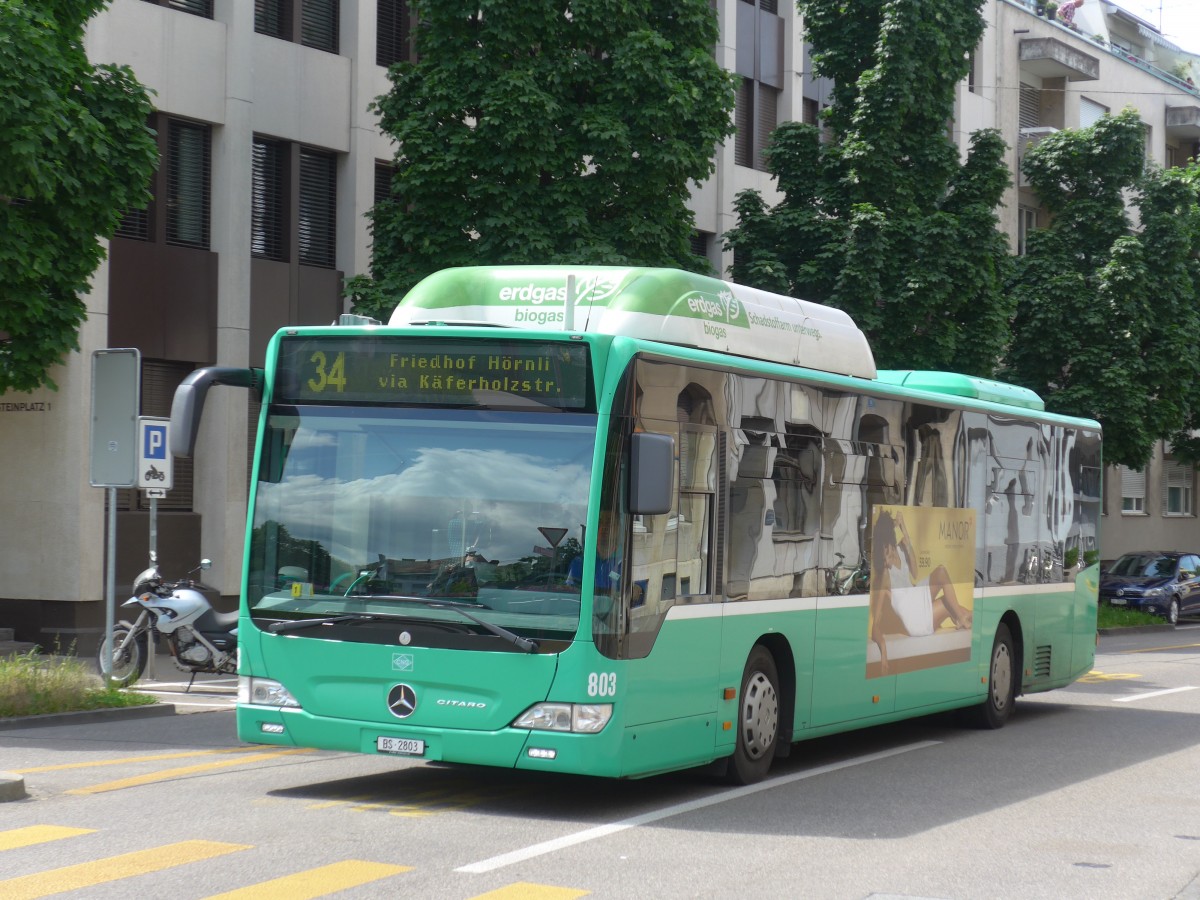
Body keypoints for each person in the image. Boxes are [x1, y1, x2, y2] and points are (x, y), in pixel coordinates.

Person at [869, 509, 973, 675]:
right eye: (882, 556)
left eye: (886, 553)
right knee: (941, 573)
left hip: (917, 598)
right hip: (915, 619)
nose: (885, 560)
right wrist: (883, 652)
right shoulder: (884, 577)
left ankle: (961, 618)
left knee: (963, 610)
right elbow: (876, 626)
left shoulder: (901, 550)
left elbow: (916, 573)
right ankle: (960, 618)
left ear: (890, 543)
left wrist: (905, 530)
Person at [566, 513, 621, 589]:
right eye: (601, 523)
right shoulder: (580, 562)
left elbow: (637, 589)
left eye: (609, 523)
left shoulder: (624, 563)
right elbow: (570, 589)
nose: (605, 527)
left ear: (618, 531)